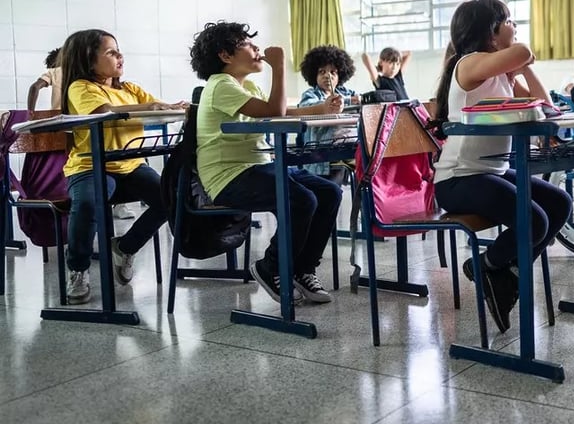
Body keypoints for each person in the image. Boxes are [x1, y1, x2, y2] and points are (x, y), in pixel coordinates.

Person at [430, 0, 572, 333]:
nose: (515, 26)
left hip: (490, 172)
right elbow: (523, 51)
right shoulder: (469, 63)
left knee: (559, 203)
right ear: (490, 32)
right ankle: (488, 266)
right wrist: (518, 58)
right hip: (458, 179)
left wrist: (521, 69)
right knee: (534, 221)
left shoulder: (499, 71)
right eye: (508, 21)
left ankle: (501, 273)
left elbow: (544, 106)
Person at [191, 21, 343, 304]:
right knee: (302, 200)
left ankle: (303, 269)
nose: (256, 48)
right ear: (225, 55)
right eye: (247, 44)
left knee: (330, 192)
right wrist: (279, 66)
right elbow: (275, 109)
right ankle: (270, 266)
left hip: (259, 166)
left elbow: (279, 111)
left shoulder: (246, 86)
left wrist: (321, 108)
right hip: (229, 177)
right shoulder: (220, 85)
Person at [58, 30, 187, 304]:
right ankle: (78, 269)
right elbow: (103, 112)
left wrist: (175, 107)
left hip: (130, 165)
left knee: (171, 197)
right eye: (111, 52)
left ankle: (126, 247)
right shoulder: (81, 87)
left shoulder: (130, 89)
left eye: (119, 51)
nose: (120, 57)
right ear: (88, 59)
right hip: (90, 165)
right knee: (88, 204)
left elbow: (159, 107)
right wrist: (149, 107)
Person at [297, 44, 359, 185]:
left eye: (333, 72)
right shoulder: (310, 94)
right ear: (314, 75)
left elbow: (358, 103)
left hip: (348, 147)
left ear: (340, 76)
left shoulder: (346, 93)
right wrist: (327, 104)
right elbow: (306, 106)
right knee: (329, 189)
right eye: (322, 72)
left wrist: (353, 101)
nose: (327, 76)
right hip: (322, 154)